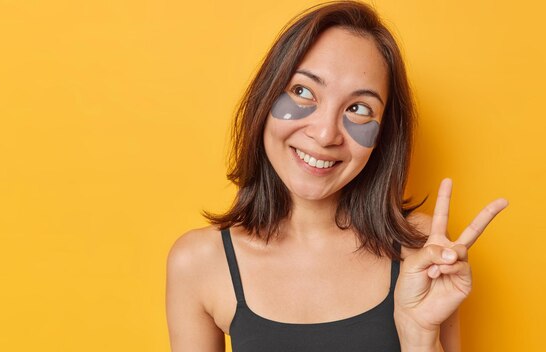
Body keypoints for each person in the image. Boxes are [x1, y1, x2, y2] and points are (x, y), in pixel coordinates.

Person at [165, 1, 507, 351]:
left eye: (358, 109)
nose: (326, 134)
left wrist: (419, 335)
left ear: (382, 137)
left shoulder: (419, 250)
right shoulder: (199, 263)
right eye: (302, 91)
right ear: (266, 98)